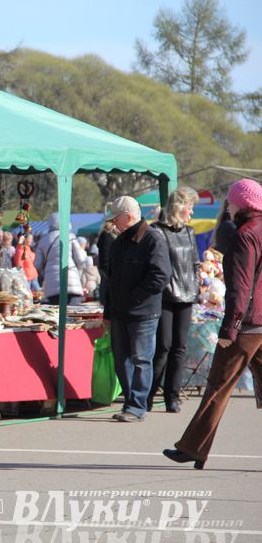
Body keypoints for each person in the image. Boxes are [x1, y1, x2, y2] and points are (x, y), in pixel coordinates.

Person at [164, 179, 262, 469]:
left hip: (247, 325)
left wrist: (229, 329)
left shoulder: (246, 234)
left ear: (241, 204)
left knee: (217, 386)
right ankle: (194, 448)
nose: (228, 206)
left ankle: (193, 448)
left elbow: (240, 287)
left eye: (230, 201)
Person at [104, 196, 172, 422]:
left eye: (116, 218)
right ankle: (131, 401)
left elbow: (160, 277)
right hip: (121, 311)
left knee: (142, 359)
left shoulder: (153, 239)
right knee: (122, 359)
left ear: (128, 216)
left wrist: (133, 298)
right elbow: (111, 280)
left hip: (143, 312)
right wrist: (108, 311)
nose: (114, 223)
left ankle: (137, 405)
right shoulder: (119, 242)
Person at [149, 187, 200, 413]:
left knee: (179, 347)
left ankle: (172, 396)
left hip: (187, 295)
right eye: (190, 206)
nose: (192, 211)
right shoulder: (157, 231)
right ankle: (148, 394)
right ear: (180, 206)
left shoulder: (189, 231)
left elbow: (195, 263)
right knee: (163, 346)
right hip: (165, 295)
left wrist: (197, 285)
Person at [34, 212, 89, 305]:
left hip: (52, 286)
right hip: (72, 282)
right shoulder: (70, 237)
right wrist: (79, 271)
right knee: (74, 315)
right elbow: (81, 259)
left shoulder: (43, 240)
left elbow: (37, 264)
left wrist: (46, 272)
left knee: (56, 315)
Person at [96, 218, 118, 306]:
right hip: (109, 272)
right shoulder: (107, 236)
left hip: (107, 272)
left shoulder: (106, 235)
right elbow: (106, 258)